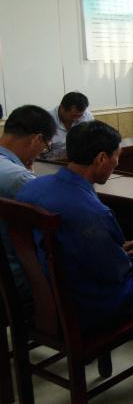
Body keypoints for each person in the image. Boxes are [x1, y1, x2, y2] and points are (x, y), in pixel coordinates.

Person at [16, 121, 133, 331]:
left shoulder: (30, 189)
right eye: (116, 156)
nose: (117, 163)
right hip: (93, 305)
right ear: (101, 158)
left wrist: (115, 250)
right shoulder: (94, 212)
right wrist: (120, 256)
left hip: (47, 297)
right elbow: (118, 272)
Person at [0, 105, 56, 304]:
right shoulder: (19, 178)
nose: (41, 153)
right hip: (20, 282)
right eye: (45, 147)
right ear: (36, 139)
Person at [47, 91, 93, 159]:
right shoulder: (47, 120)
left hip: (80, 158)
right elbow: (43, 151)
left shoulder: (87, 116)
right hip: (53, 160)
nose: (76, 118)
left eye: (79, 115)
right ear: (62, 108)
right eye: (73, 115)